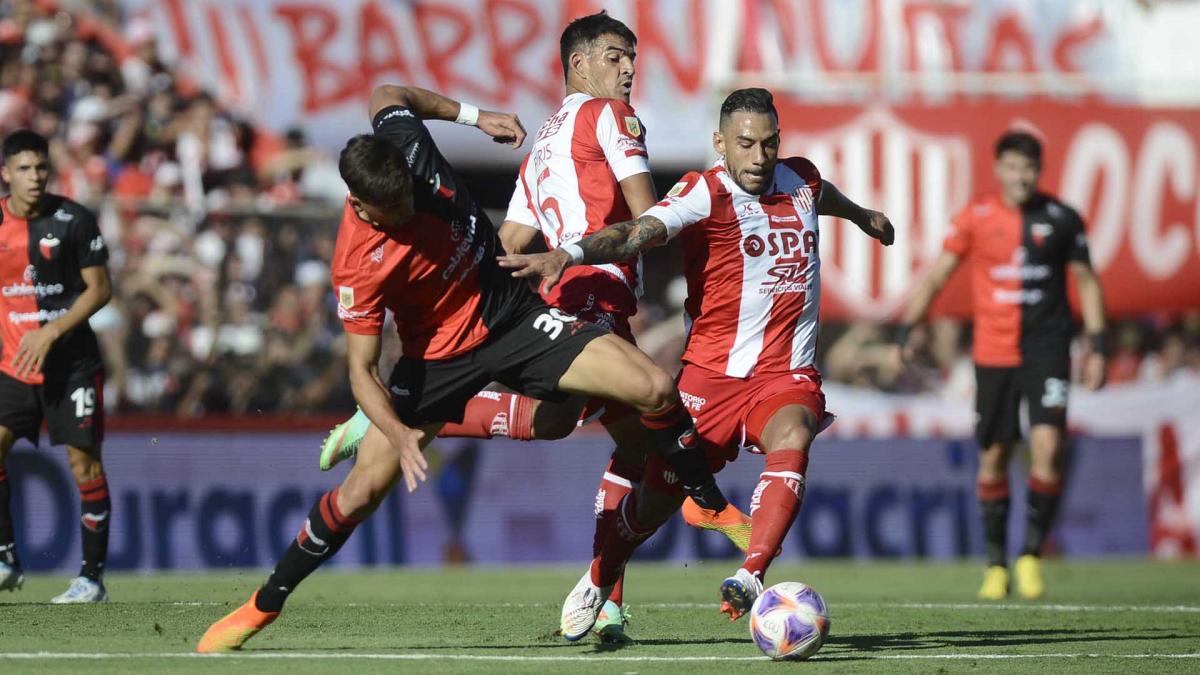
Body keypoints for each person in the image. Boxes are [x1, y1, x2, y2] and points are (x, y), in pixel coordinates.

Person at [196, 83, 729, 653]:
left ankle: (705, 498)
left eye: (408, 197)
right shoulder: (357, 266)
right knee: (359, 495)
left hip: (512, 317)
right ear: (358, 205)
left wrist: (477, 117)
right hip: (437, 361)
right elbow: (361, 372)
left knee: (646, 386)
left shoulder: (408, 145)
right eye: (394, 212)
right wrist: (400, 435)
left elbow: (385, 92)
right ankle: (263, 605)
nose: (409, 211)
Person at [314, 12, 751, 642]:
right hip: (591, 295)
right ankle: (614, 581)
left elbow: (505, 250)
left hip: (561, 298)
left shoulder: (544, 146)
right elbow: (647, 215)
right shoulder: (613, 119)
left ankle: (604, 593)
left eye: (631, 57)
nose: (628, 69)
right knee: (643, 426)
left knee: (573, 426)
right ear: (578, 65)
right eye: (614, 57)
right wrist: (712, 223)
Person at [498, 88, 895, 636]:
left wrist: (863, 215)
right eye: (746, 144)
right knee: (657, 498)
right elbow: (638, 232)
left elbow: (823, 194)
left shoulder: (799, 178)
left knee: (795, 433)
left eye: (769, 143)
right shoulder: (704, 192)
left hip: (785, 373)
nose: (759, 157)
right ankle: (599, 574)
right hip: (709, 379)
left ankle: (751, 574)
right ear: (721, 144)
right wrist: (570, 252)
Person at [893, 130, 1107, 600]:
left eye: (1029, 167)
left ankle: (1030, 555)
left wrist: (1099, 346)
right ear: (999, 169)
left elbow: (1087, 283)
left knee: (1049, 449)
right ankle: (995, 565)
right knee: (994, 457)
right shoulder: (976, 218)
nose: (1021, 176)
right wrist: (908, 327)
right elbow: (937, 274)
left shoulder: (1063, 219)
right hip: (993, 354)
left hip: (1047, 350)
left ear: (1039, 170)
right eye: (1012, 167)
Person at [0, 130, 114, 603]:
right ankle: (6, 556)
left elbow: (100, 289)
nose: (35, 177)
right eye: (24, 168)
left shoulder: (72, 219)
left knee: (84, 467)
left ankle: (91, 578)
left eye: (41, 167)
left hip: (72, 366)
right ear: (6, 173)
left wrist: (51, 330)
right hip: (12, 366)